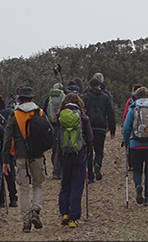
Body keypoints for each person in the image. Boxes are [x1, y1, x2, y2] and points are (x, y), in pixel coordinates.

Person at [2, 86, 51, 233]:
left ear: (19, 100)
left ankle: (25, 222)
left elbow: (7, 139)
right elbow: (48, 132)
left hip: (21, 156)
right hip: (37, 155)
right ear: (32, 98)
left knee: (23, 189)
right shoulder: (40, 112)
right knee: (37, 185)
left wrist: (5, 160)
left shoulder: (14, 115)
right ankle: (36, 211)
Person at [122, 86, 148, 207]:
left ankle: (137, 186)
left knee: (137, 170)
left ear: (137, 97)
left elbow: (126, 128)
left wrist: (126, 141)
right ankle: (147, 198)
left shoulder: (133, 108)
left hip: (136, 144)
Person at [56, 93, 93, 228]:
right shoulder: (83, 118)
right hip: (79, 154)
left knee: (65, 183)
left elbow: (57, 137)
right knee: (77, 185)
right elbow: (89, 138)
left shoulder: (60, 117)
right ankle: (73, 218)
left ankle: (64, 213)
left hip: (64, 154)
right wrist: (88, 151)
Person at [81, 78, 116, 184]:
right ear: (99, 86)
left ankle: (90, 176)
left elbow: (82, 112)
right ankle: (98, 163)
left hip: (88, 126)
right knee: (99, 150)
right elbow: (110, 113)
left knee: (89, 151)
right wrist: (112, 128)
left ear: (89, 86)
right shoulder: (105, 97)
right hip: (101, 127)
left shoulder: (85, 97)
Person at [0, 94, 18, 208]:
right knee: (9, 174)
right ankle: (13, 198)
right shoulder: (10, 113)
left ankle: (1, 199)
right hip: (10, 146)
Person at [42, 83, 65, 180]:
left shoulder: (48, 99)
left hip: (51, 125)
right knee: (62, 147)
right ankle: (60, 171)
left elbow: (43, 112)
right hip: (62, 125)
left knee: (54, 148)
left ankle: (55, 170)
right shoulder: (64, 97)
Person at [121, 84, 143, 172]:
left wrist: (123, 125)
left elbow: (126, 114)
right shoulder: (147, 102)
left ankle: (131, 165)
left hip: (131, 126)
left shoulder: (130, 101)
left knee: (130, 145)